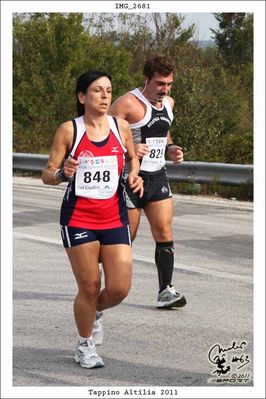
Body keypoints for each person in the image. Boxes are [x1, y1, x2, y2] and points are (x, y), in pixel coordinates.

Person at [42, 70, 143, 369]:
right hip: (79, 219)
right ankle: (85, 344)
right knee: (89, 286)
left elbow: (130, 158)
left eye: (109, 91)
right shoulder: (69, 131)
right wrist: (63, 173)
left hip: (114, 217)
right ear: (82, 96)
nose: (104, 96)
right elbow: (47, 174)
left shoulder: (121, 126)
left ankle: (94, 311)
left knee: (119, 289)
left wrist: (133, 175)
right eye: (97, 91)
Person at [109, 54, 187, 309]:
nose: (164, 90)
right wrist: (129, 149)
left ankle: (165, 290)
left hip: (157, 175)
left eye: (169, 84)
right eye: (159, 84)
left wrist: (171, 148)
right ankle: (106, 280)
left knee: (164, 230)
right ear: (147, 80)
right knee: (126, 237)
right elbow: (100, 135)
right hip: (130, 178)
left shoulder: (169, 103)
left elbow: (163, 132)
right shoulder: (127, 104)